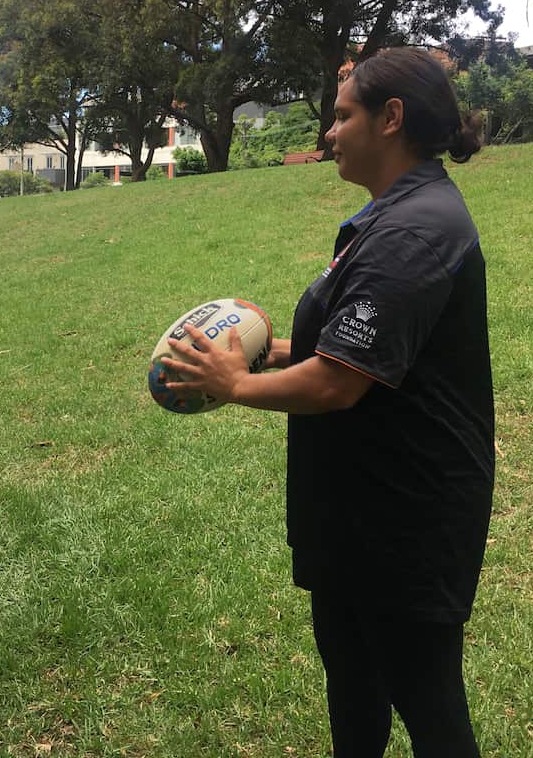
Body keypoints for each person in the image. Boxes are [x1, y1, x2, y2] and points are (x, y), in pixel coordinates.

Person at [162, 48, 493, 758]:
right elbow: (362, 350)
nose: (329, 133)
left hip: (405, 521)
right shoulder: (391, 216)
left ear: (391, 118)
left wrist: (235, 385)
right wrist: (262, 351)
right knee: (354, 686)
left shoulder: (414, 231)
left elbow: (338, 382)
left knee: (429, 705)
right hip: (356, 512)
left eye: (342, 117)